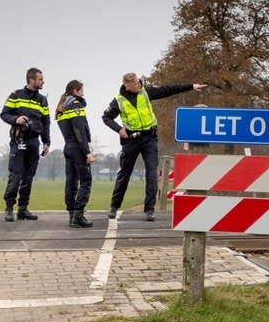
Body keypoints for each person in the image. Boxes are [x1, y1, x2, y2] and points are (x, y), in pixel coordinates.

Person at [102, 72, 206, 221]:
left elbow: (168, 89)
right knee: (124, 174)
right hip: (131, 140)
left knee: (152, 174)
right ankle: (114, 206)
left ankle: (149, 210)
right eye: (136, 83)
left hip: (149, 138)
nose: (139, 84)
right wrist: (119, 129)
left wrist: (191, 86)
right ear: (127, 85)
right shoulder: (118, 100)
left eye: (139, 81)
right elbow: (106, 117)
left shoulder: (146, 91)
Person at [0, 67, 50, 222]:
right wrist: (16, 120)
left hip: (34, 142)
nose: (43, 81)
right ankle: (9, 207)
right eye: (40, 79)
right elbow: (4, 114)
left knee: (29, 177)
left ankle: (23, 209)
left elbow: (46, 123)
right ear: (31, 80)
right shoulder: (16, 95)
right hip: (18, 140)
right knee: (16, 176)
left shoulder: (42, 100)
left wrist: (46, 142)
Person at [55, 80, 94, 228]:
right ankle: (78, 215)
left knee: (71, 182)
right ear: (75, 91)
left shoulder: (62, 107)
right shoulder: (76, 105)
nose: (83, 93)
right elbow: (80, 132)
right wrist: (87, 152)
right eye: (81, 90)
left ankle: (72, 215)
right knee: (86, 181)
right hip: (77, 148)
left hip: (68, 147)